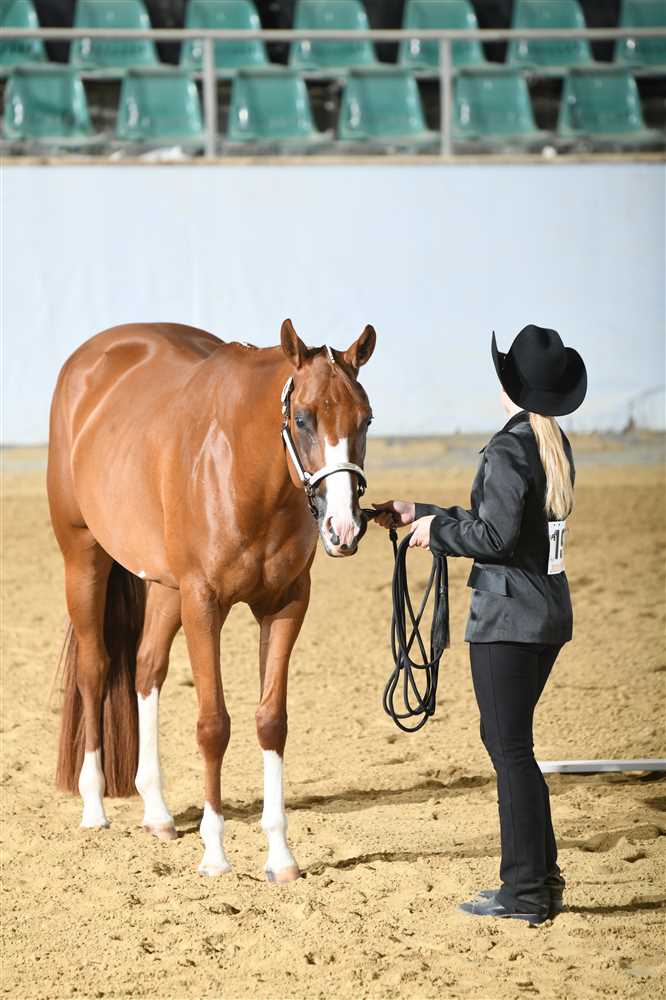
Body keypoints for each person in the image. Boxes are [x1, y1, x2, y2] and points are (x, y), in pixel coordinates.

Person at [374, 324, 587, 925]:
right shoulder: (550, 444)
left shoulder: (506, 448)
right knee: (515, 748)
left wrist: (435, 533)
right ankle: (540, 880)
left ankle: (524, 892)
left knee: (509, 750)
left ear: (510, 386)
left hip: (507, 620)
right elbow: (502, 524)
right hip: (545, 614)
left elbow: (493, 537)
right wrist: (422, 513)